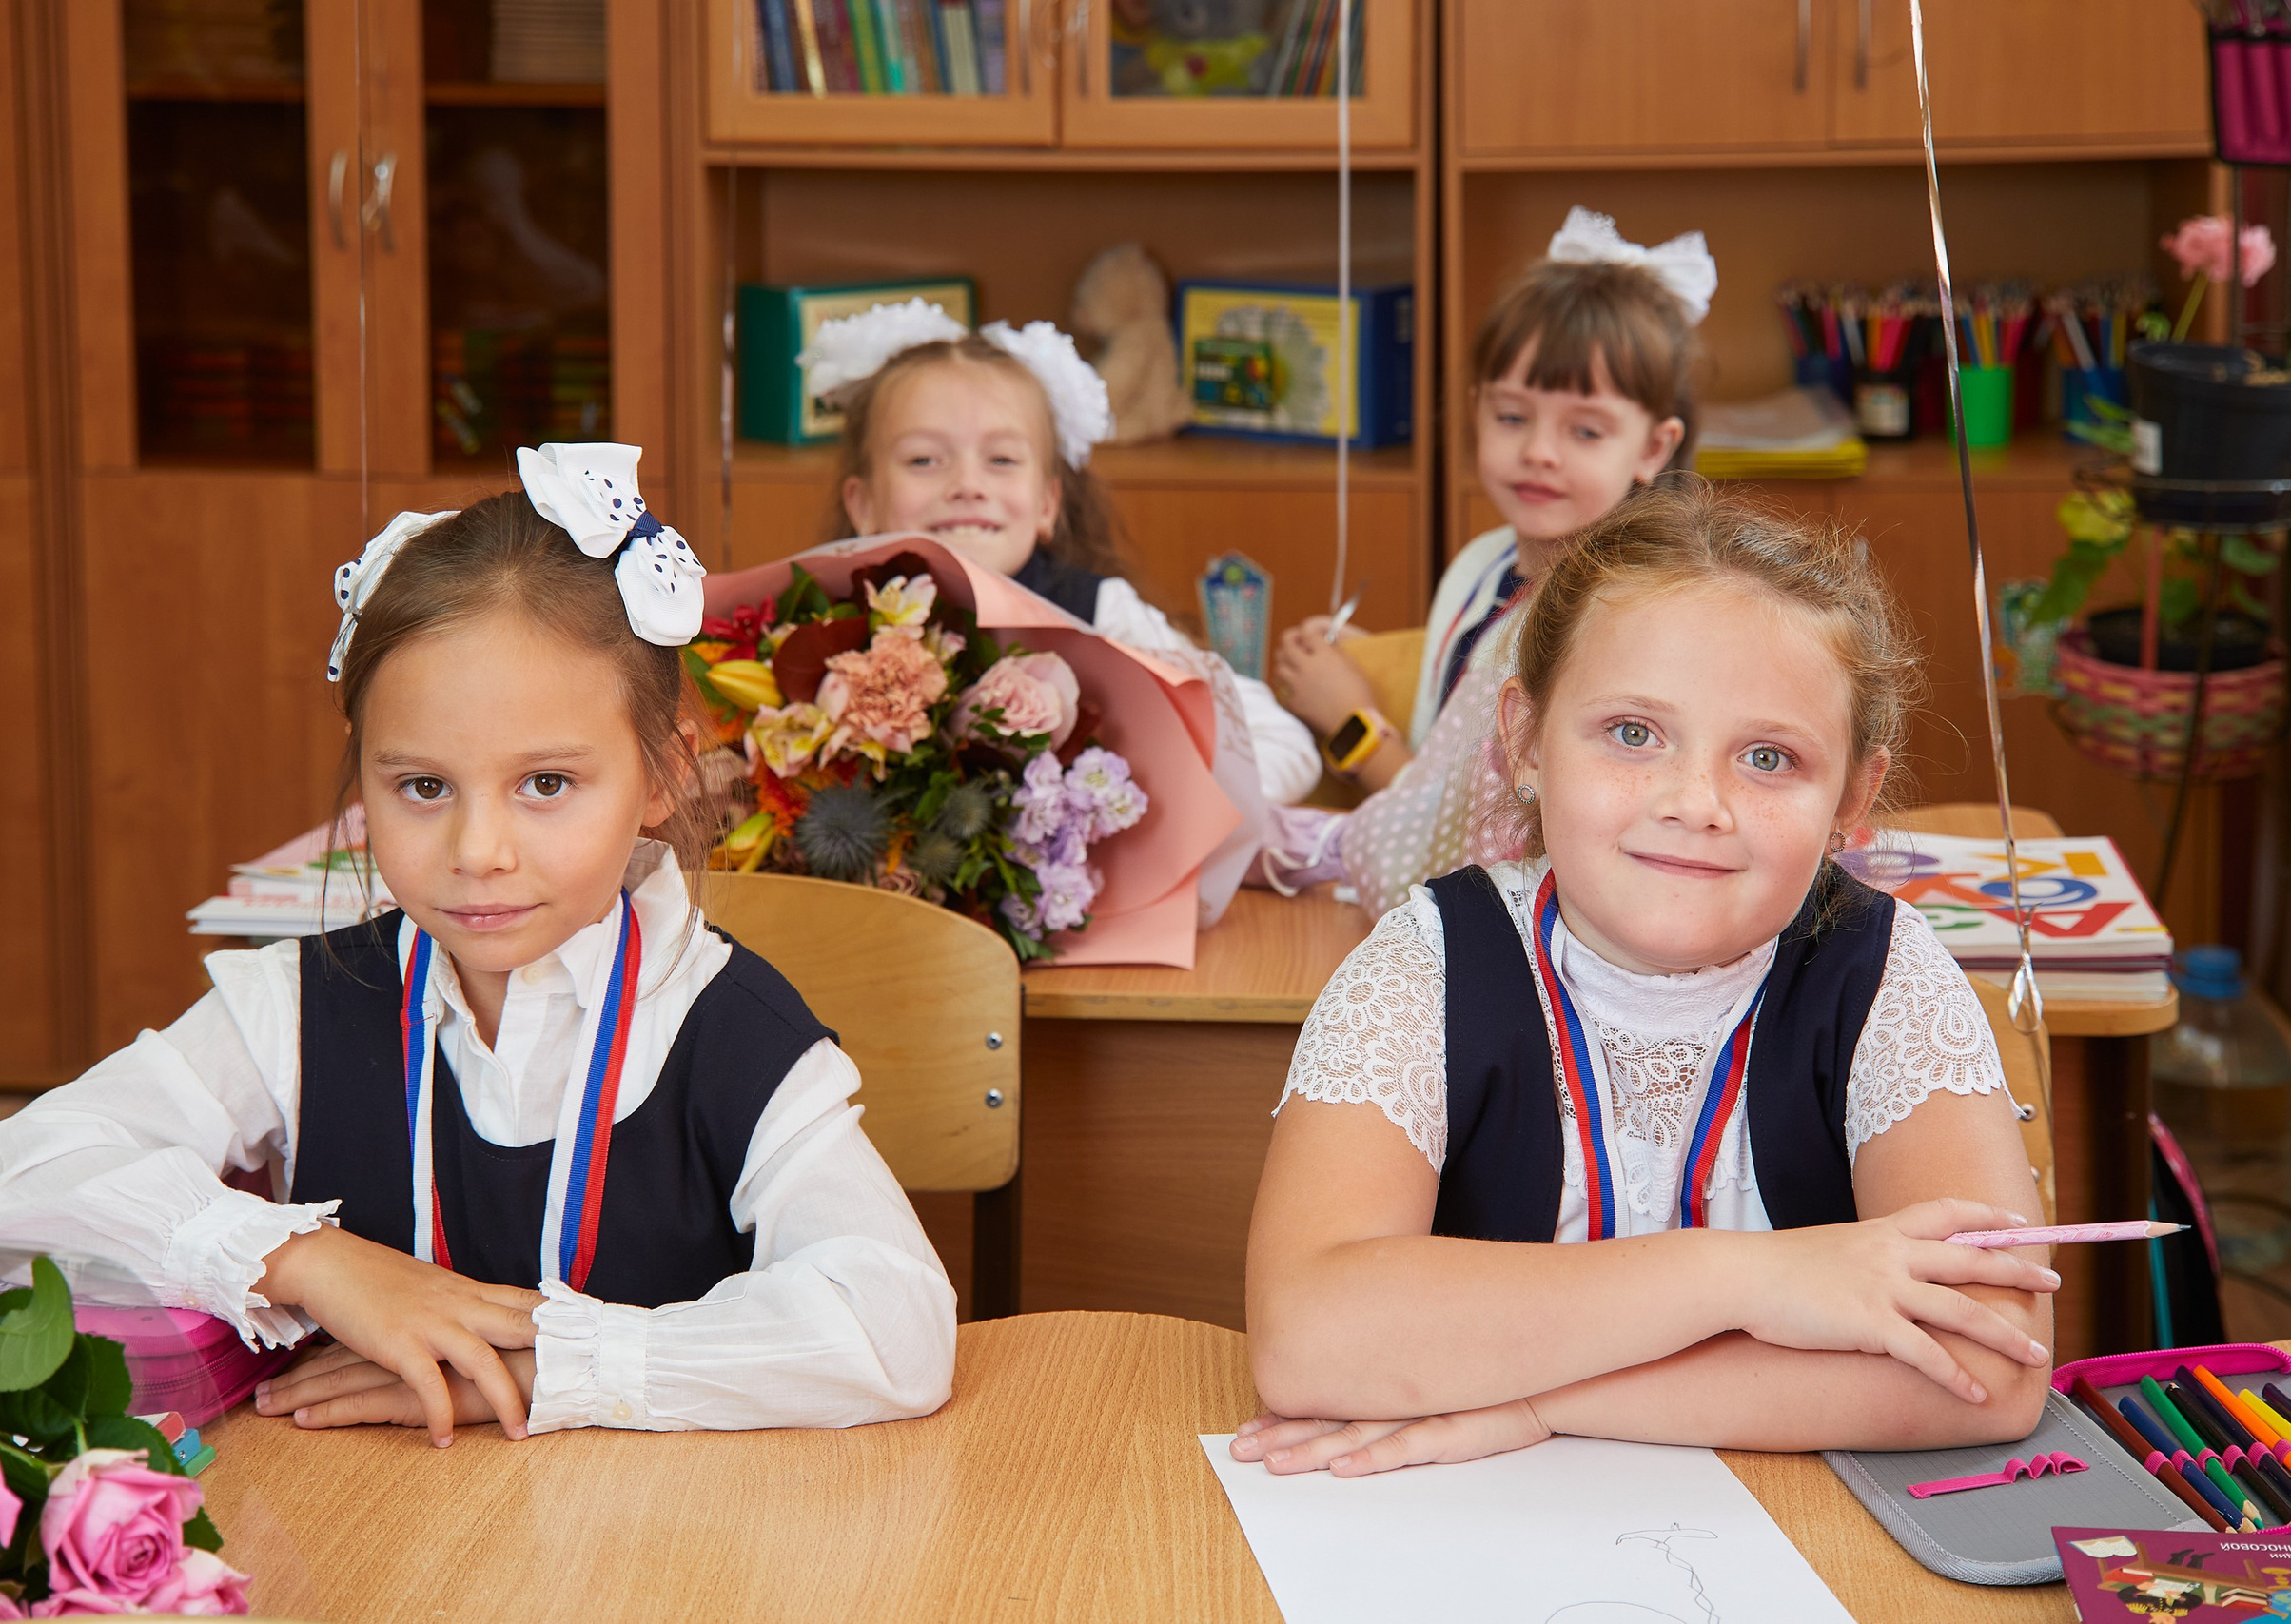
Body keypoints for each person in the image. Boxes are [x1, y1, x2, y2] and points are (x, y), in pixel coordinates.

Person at [0, 444, 955, 1446]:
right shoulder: (299, 1002)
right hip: (361, 1522)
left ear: (662, 775)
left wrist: (544, 1369)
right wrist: (306, 1261)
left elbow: (898, 1325)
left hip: (665, 1533)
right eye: (423, 786)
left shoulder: (735, 1034)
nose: (479, 852)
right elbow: (2, 1182)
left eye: (546, 784)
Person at [1234, 479, 2056, 1477]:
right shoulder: (1425, 965)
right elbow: (1308, 1336)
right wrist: (1750, 1279)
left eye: (1768, 757)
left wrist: (1540, 1401)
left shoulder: (1885, 975)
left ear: (1853, 797)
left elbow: (1990, 1365)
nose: (1694, 802)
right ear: (1524, 740)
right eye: (1633, 733)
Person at [1269, 207, 1709, 916]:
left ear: (1654, 448)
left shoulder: (1616, 619)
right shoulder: (1484, 563)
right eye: (1512, 417)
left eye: (1585, 430)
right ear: (1476, 409)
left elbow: (1467, 833)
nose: (1539, 451)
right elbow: (1453, 745)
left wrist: (1355, 725)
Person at [801, 299, 1322, 807]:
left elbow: (1282, 743)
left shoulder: (1102, 614)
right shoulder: (816, 626)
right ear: (862, 504)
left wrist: (1165, 811)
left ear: (1047, 504)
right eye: (923, 460)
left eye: (1001, 460)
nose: (967, 485)